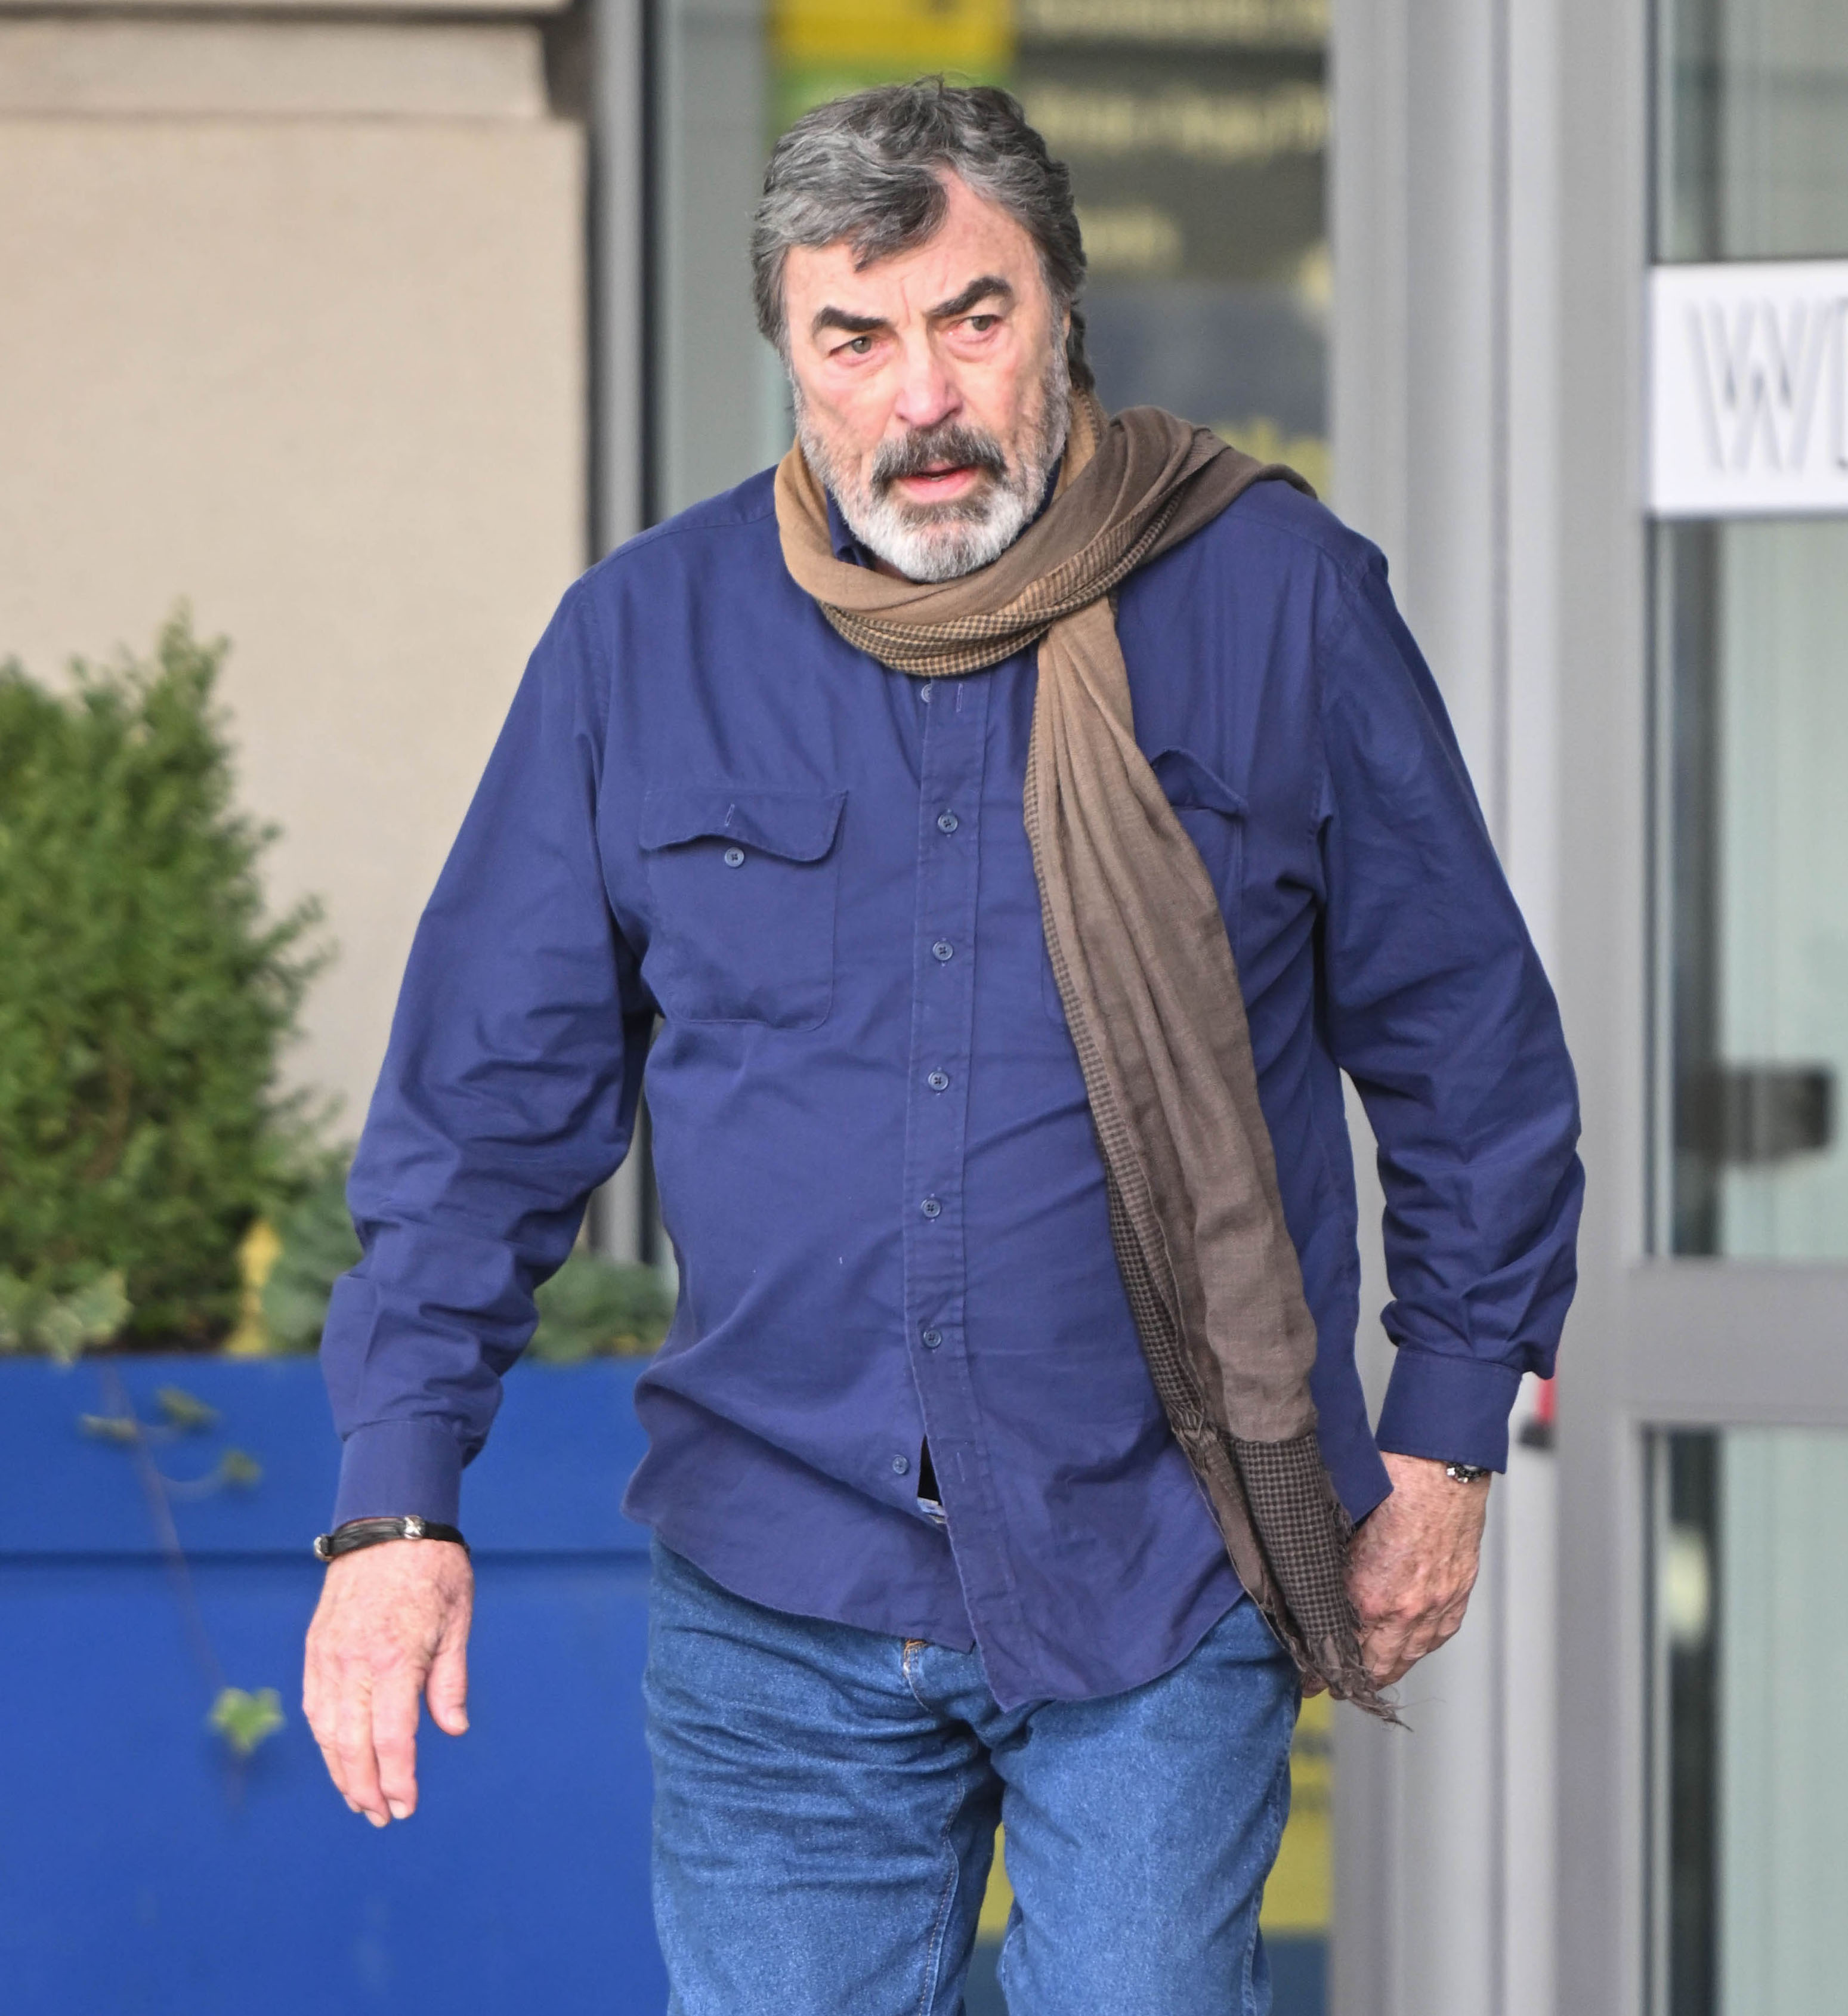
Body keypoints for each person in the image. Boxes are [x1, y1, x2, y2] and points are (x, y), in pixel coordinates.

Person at [304, 79, 1581, 2015]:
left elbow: (1464, 1041)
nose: (924, 396)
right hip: (778, 1585)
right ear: (789, 361)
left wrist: (1445, 1435)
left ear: (1061, 310)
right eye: (858, 336)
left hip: (1163, 1553)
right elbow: (482, 1115)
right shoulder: (640, 645)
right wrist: (395, 1505)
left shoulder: (1269, 598)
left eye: (971, 319)